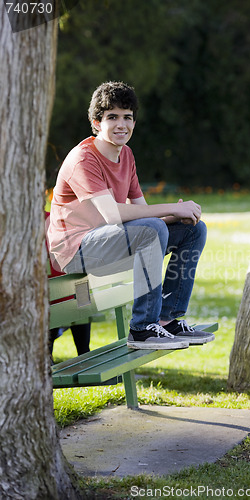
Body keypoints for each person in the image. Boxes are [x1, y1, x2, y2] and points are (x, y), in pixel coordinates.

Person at [47, 81, 215, 350]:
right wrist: (172, 207)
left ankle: (165, 319)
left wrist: (178, 217)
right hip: (75, 251)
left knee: (195, 229)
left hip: (107, 243)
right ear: (96, 123)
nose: (121, 124)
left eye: (127, 117)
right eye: (112, 117)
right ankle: (141, 328)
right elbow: (113, 214)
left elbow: (143, 215)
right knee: (152, 229)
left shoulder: (126, 155)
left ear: (134, 122)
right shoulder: (83, 159)